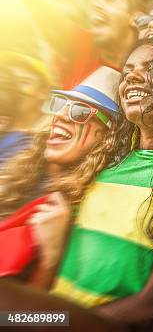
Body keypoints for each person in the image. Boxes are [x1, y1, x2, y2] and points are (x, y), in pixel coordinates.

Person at [50, 37, 153, 331]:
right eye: (127, 71)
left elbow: (152, 309)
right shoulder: (102, 166)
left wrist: (47, 322)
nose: (132, 76)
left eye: (151, 67)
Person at [0, 66, 121, 288]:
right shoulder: (17, 172)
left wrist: (51, 257)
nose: (61, 114)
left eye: (81, 111)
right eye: (61, 104)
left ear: (107, 137)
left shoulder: (84, 208)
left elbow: (31, 319)